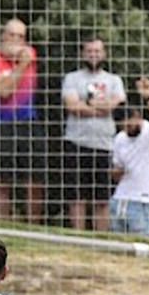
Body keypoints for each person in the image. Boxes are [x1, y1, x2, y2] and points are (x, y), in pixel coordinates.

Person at [62, 38, 126, 231]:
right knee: (76, 196)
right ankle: (78, 237)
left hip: (105, 144)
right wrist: (102, 106)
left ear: (104, 53)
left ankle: (101, 238)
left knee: (102, 197)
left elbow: (117, 104)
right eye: (89, 51)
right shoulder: (72, 78)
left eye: (97, 51)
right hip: (76, 142)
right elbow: (72, 106)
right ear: (83, 54)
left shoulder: (114, 80)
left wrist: (87, 104)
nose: (93, 54)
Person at [0, 18, 42, 222]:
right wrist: (21, 67)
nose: (16, 40)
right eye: (11, 34)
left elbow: (7, 81)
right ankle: (3, 225)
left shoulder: (30, 53)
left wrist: (12, 71)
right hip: (0, 123)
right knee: (1, 179)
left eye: (21, 36)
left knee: (33, 179)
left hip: (27, 122)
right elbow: (3, 91)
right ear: (2, 34)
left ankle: (34, 227)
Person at [110, 77, 149, 237]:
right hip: (120, 199)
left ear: (136, 116)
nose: (127, 129)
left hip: (144, 200)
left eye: (129, 124)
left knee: (143, 245)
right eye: (123, 126)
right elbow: (117, 170)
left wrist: (148, 98)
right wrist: (116, 172)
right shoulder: (120, 138)